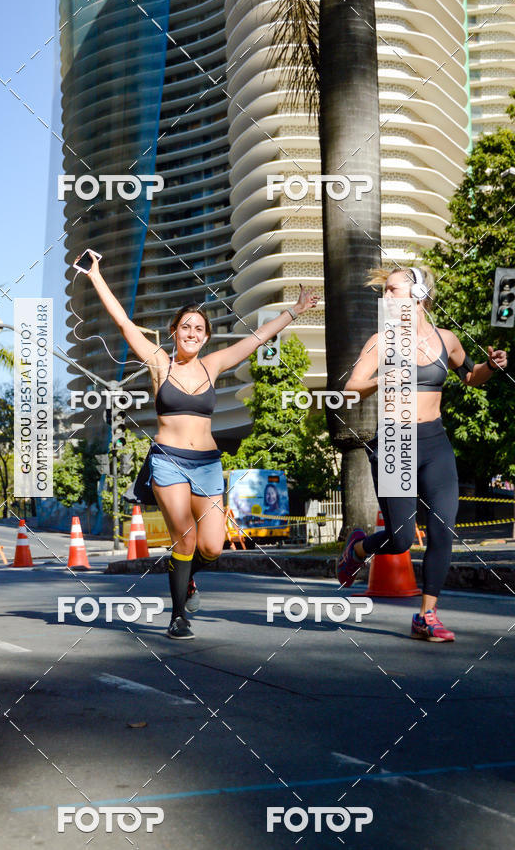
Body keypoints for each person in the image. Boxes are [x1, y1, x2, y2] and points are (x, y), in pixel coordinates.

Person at [81, 252, 318, 639]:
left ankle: (188, 577)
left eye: (199, 329)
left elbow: (257, 338)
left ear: (206, 337)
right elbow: (123, 322)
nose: (191, 333)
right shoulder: (160, 363)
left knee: (212, 548)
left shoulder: (214, 364)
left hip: (207, 463)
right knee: (186, 537)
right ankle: (178, 616)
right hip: (168, 462)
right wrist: (96, 276)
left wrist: (294, 310)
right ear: (174, 331)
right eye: (185, 327)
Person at [337, 265, 507, 642]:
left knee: (443, 528)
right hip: (395, 442)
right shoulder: (381, 342)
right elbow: (350, 389)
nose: (385, 298)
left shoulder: (446, 340)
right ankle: (359, 546)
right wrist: (382, 379)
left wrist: (490, 367)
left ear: (417, 294)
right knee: (399, 539)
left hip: (435, 442)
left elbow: (469, 375)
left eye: (392, 290)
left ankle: (426, 616)